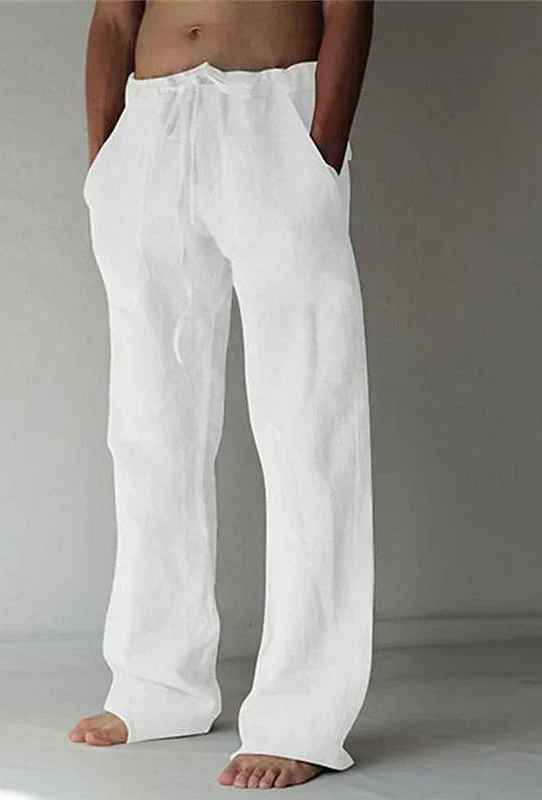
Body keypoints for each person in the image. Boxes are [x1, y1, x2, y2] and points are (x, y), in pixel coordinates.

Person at [68, 0, 376, 790]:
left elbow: (348, 9)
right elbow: (114, 20)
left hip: (274, 120)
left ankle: (302, 718)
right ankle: (156, 686)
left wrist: (319, 147)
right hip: (151, 127)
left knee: (309, 424)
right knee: (148, 431)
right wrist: (106, 157)